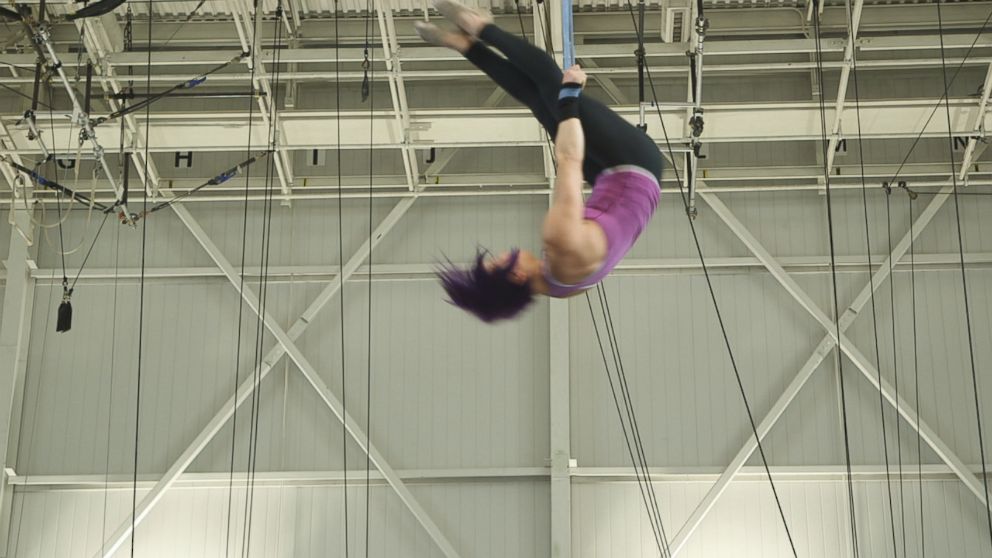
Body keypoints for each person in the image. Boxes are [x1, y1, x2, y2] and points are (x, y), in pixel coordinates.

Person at [421, 0, 663, 322]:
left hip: (610, 179)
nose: (505, 253)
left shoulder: (560, 288)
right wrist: (571, 97)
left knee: (538, 102)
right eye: (499, 261)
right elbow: (568, 158)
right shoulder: (559, 240)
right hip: (635, 164)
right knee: (553, 87)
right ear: (516, 276)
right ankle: (479, 26)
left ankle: (464, 44)